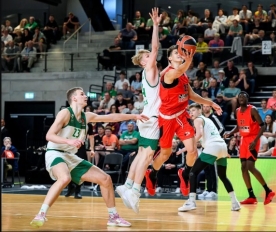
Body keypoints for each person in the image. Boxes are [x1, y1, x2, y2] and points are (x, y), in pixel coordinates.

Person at [30, 87, 148, 228]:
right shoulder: (65, 113)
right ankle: (41, 214)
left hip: (70, 156)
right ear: (74, 98)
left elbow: (110, 117)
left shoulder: (87, 116)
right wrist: (69, 141)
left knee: (105, 179)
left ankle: (113, 216)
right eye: (82, 94)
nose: (85, 96)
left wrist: (134, 116)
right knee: (65, 178)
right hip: (55, 152)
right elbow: (49, 135)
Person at [145, 45, 222, 197]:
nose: (179, 55)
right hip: (166, 119)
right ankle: (152, 173)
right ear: (169, 58)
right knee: (165, 154)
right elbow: (179, 70)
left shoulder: (183, 75)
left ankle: (185, 173)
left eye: (180, 53)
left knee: (193, 150)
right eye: (176, 53)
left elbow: (191, 95)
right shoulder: (168, 74)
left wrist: (210, 103)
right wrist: (189, 56)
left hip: (181, 116)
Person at [115, 8, 162, 214]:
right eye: (147, 56)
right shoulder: (150, 70)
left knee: (141, 153)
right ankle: (134, 190)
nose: (150, 56)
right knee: (147, 155)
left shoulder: (145, 74)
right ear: (144, 61)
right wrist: (156, 26)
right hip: (151, 119)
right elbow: (155, 46)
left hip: (146, 117)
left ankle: (126, 185)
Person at [178, 103, 241, 212]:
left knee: (193, 173)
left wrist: (186, 147)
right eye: (190, 111)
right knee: (223, 176)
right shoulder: (208, 120)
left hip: (213, 147)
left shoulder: (198, 120)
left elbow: (199, 134)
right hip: (222, 147)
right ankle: (235, 202)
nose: (191, 113)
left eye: (193, 110)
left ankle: (191, 202)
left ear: (199, 111)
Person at [224, 92, 275, 205]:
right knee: (243, 167)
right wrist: (230, 133)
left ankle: (268, 190)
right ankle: (251, 195)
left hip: (253, 139)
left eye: (244, 96)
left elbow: (263, 126)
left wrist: (256, 140)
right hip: (243, 140)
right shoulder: (237, 111)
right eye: (240, 97)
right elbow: (239, 126)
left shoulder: (253, 110)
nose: (241, 98)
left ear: (247, 99)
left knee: (250, 166)